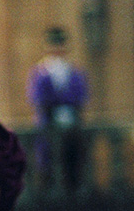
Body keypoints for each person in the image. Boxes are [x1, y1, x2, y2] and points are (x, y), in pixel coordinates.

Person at [27, 27, 89, 193]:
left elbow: (81, 96)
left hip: (71, 120)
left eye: (60, 45)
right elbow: (37, 98)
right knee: (48, 159)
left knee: (73, 159)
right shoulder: (40, 73)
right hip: (49, 121)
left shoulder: (74, 71)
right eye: (53, 45)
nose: (57, 49)